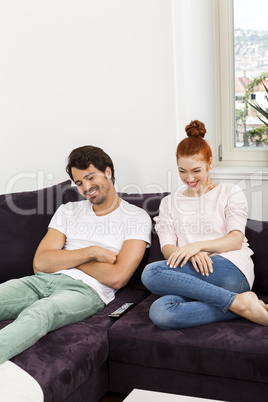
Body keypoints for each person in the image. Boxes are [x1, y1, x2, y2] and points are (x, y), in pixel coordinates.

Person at [0, 145, 151, 364]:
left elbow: (117, 277)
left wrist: (65, 256)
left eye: (90, 177)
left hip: (86, 291)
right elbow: (40, 263)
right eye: (79, 183)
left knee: (41, 311)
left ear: (108, 172)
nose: (86, 187)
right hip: (42, 280)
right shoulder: (68, 210)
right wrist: (92, 253)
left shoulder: (136, 217)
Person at [142, 120, 268, 329]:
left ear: (210, 163)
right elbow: (167, 249)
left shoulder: (229, 192)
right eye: (182, 171)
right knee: (161, 311)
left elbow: (235, 239)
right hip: (192, 273)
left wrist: (198, 246)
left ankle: (238, 299)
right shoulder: (169, 203)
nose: (189, 178)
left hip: (231, 269)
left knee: (151, 273)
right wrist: (190, 255)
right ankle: (240, 303)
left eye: (196, 170)